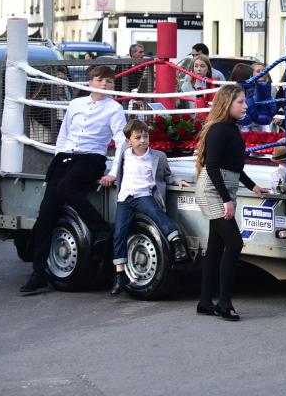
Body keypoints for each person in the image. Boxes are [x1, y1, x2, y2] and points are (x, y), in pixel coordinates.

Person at [20, 65, 127, 294]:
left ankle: (100, 228)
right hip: (66, 157)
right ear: (90, 83)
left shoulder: (115, 109)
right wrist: (58, 160)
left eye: (110, 82)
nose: (106, 85)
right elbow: (64, 135)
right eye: (101, 80)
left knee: (66, 188)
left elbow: (121, 143)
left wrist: (113, 172)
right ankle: (38, 272)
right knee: (46, 212)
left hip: (91, 158)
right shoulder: (75, 104)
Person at [194, 84, 268, 321]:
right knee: (234, 244)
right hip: (213, 190)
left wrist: (253, 186)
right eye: (240, 102)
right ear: (227, 103)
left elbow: (235, 167)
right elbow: (213, 167)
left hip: (226, 186)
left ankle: (205, 302)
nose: (245, 106)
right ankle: (224, 303)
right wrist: (226, 200)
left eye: (245, 101)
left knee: (216, 248)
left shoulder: (232, 129)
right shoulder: (218, 130)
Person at [110, 119, 188, 296]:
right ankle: (120, 275)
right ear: (129, 140)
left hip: (143, 195)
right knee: (119, 233)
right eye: (138, 138)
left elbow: (167, 176)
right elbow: (116, 170)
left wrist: (177, 181)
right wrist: (109, 177)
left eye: (145, 136)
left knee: (158, 215)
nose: (143, 141)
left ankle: (177, 244)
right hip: (124, 197)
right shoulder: (124, 153)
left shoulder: (157, 156)